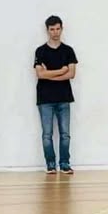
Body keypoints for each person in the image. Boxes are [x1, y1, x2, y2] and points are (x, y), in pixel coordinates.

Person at [33, 15, 77, 175]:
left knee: (65, 134)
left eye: (58, 29)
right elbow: (40, 74)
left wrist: (49, 74)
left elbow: (71, 74)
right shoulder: (40, 51)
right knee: (47, 134)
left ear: (62, 29)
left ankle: (64, 164)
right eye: (52, 29)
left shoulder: (68, 50)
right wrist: (61, 70)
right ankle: (50, 165)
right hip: (45, 99)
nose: (55, 32)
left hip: (64, 98)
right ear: (47, 30)